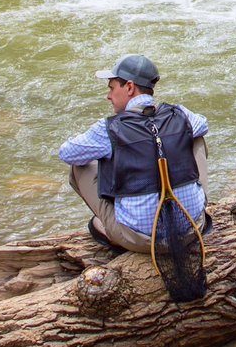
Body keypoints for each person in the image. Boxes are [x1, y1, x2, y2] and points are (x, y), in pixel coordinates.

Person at [60, 54, 209, 252]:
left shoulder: (109, 129)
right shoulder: (180, 114)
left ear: (129, 87)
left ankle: (113, 227)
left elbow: (67, 153)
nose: (108, 96)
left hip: (145, 242)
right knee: (196, 137)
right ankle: (193, 202)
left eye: (112, 88)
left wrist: (111, 154)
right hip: (193, 228)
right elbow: (203, 123)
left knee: (80, 166)